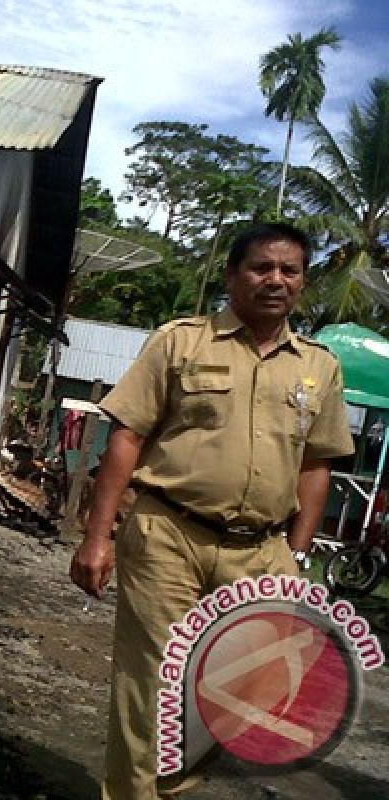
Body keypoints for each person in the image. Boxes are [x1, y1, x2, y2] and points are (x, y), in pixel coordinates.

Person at [69, 221, 355, 800]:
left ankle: (170, 785)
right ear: (232, 276)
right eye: (261, 267)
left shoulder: (318, 367)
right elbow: (125, 437)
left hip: (264, 549)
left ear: (302, 282)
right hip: (168, 532)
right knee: (153, 680)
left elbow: (316, 465)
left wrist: (298, 554)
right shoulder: (180, 342)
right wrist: (97, 537)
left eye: (290, 270)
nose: (276, 280)